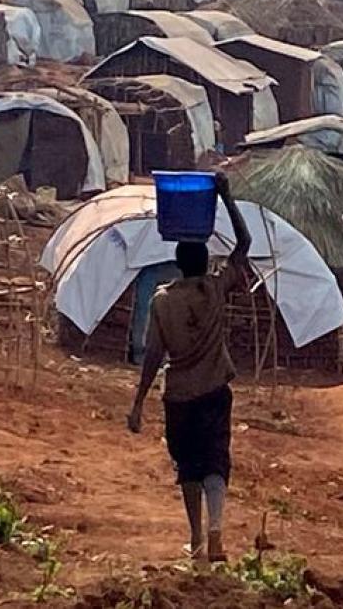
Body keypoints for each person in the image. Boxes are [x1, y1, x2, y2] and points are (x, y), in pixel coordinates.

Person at [128, 174, 251, 562]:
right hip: (215, 390)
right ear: (204, 263)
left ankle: (196, 540)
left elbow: (152, 356)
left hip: (179, 396)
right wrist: (227, 197)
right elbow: (244, 245)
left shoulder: (163, 301)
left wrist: (137, 403)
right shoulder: (214, 290)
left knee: (189, 468)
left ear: (178, 264)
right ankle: (216, 530)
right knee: (216, 460)